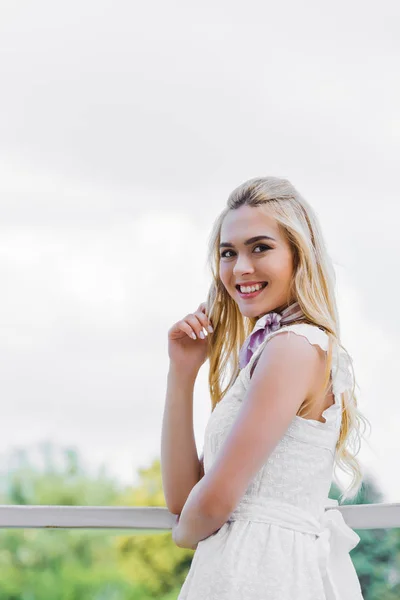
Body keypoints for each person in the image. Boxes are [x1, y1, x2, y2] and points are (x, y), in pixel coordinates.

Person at [161, 176, 369, 599]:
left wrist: (186, 534)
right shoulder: (272, 353)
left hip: (259, 575)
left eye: (260, 247)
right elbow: (184, 500)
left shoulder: (292, 347)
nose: (240, 268)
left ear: (299, 254)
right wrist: (181, 373)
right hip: (238, 571)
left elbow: (210, 507)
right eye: (227, 253)